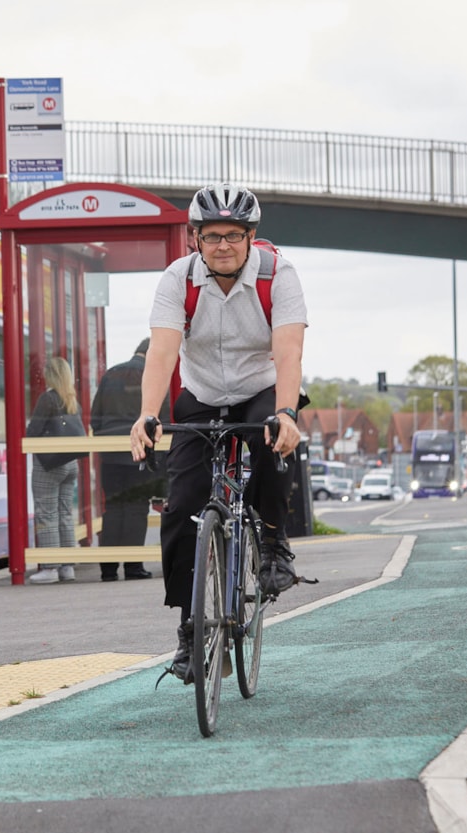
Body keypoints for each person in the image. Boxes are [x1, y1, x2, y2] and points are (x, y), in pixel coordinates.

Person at [130, 183, 310, 681]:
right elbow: (163, 351)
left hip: (260, 387)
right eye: (212, 236)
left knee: (273, 445)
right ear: (195, 240)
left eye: (234, 234)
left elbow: (288, 350)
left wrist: (288, 413)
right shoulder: (177, 280)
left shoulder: (279, 275)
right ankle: (191, 631)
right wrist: (148, 413)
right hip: (203, 393)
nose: (223, 245)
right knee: (182, 504)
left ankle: (274, 546)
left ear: (251, 237)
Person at [91, 338, 162, 582]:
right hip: (138, 450)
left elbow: (95, 417)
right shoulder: (152, 375)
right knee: (136, 507)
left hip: (109, 454)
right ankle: (133, 567)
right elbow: (162, 418)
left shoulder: (111, 374)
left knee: (113, 508)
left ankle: (108, 570)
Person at [25, 356, 81, 585]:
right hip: (70, 464)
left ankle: (49, 567)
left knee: (46, 514)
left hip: (49, 466)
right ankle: (67, 567)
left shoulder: (47, 398)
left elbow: (33, 431)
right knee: (65, 514)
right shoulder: (71, 399)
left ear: (50, 375)